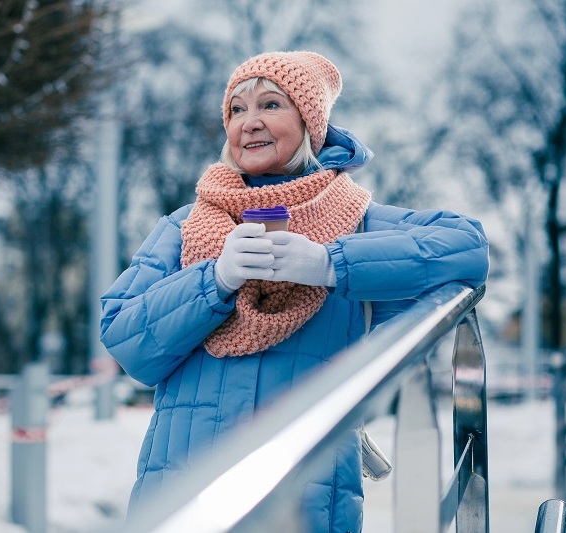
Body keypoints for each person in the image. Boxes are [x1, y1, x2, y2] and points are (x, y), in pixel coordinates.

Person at [99, 51, 489, 532]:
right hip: (185, 492)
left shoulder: (358, 221)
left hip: (306, 496)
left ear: (310, 122)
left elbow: (468, 246)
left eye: (270, 105)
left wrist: (331, 263)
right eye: (237, 110)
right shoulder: (184, 226)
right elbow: (126, 341)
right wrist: (215, 279)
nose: (250, 123)